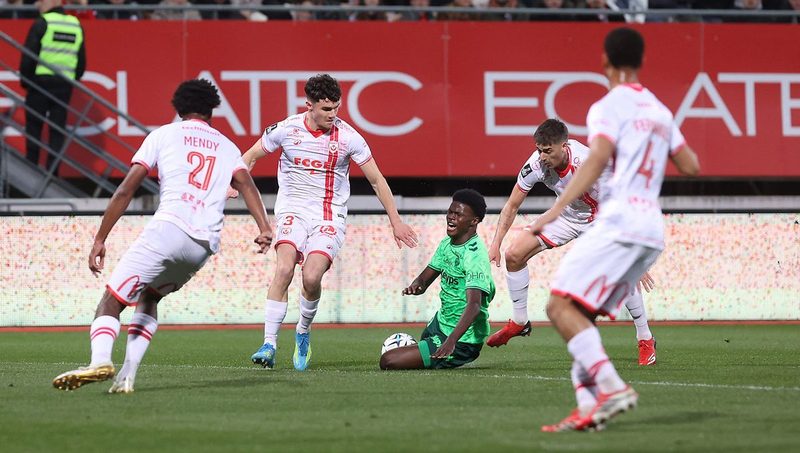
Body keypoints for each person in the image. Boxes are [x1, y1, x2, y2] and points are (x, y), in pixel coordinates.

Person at [52, 79, 274, 393]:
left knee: (112, 300)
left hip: (170, 228)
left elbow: (126, 190)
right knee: (150, 296)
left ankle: (99, 360)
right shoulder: (227, 146)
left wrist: (100, 238)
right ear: (211, 110)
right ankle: (127, 377)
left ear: (178, 107)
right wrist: (265, 228)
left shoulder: (163, 135)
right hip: (203, 245)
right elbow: (247, 185)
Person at [532, 27, 699, 432]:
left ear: (604, 61)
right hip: (651, 229)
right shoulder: (660, 111)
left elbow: (596, 159)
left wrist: (554, 211)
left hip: (619, 220)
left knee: (558, 306)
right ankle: (589, 407)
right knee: (580, 314)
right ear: (640, 62)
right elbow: (691, 165)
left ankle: (611, 386)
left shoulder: (606, 107)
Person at [243, 74, 417, 371]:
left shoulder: (349, 137)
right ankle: (269, 343)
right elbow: (249, 156)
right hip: (292, 212)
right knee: (284, 268)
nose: (333, 115)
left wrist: (395, 221)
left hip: (328, 217)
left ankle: (302, 332)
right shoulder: (286, 130)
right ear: (308, 105)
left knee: (311, 278)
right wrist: (233, 183)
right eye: (326, 110)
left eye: (336, 108)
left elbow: (376, 179)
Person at [486, 118, 658, 367]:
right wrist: (496, 243)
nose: (542, 157)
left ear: (564, 146)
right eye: (539, 150)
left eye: (548, 151)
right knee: (514, 254)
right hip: (566, 215)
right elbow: (512, 204)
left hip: (601, 218)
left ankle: (645, 339)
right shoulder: (536, 165)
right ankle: (520, 322)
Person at [380, 189, 495, 370]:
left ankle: (453, 355)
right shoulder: (446, 244)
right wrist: (416, 286)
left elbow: (474, 306)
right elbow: (424, 280)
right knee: (405, 356)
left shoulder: (475, 256)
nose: (451, 217)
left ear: (474, 221)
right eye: (450, 212)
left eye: (458, 214)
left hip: (462, 340)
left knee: (388, 361)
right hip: (439, 325)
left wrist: (451, 342)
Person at [19, 0, 86, 173]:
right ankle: (53, 171)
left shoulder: (43, 22)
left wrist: (26, 81)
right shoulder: (75, 24)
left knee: (34, 125)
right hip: (64, 85)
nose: (37, 5)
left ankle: (30, 166)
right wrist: (71, 79)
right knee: (57, 129)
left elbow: (28, 56)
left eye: (40, 1)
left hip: (39, 83)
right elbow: (81, 63)